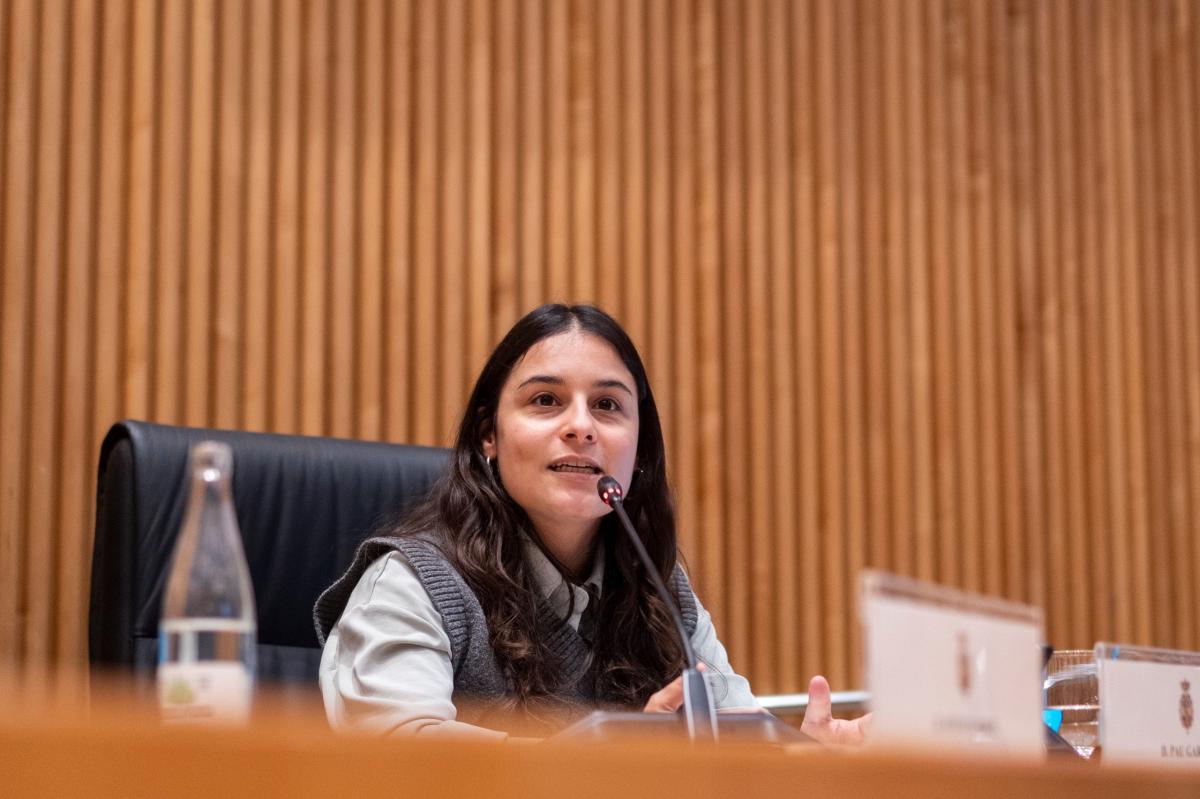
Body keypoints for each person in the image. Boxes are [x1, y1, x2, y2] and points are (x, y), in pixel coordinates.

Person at [314, 303, 867, 742]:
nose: (581, 427)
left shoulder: (659, 591)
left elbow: (731, 736)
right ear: (489, 435)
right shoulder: (411, 583)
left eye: (607, 406)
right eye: (546, 400)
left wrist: (802, 761)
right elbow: (399, 752)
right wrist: (608, 761)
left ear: (639, 449)